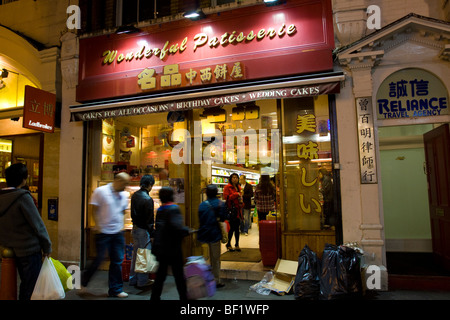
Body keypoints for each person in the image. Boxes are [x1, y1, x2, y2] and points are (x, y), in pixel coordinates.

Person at [0, 163, 52, 300]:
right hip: (28, 249)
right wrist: (47, 246)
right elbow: (38, 225)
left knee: (14, 284)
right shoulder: (23, 197)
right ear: (23, 179)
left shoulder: (2, 197)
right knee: (30, 287)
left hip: (8, 248)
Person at [81, 172, 130, 298]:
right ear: (117, 180)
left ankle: (115, 289)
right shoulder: (101, 191)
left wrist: (122, 227)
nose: (126, 186)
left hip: (118, 232)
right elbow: (94, 209)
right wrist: (98, 227)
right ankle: (83, 281)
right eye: (124, 183)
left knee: (117, 261)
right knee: (98, 260)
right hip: (103, 232)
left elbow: (123, 212)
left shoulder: (124, 195)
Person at [151, 187, 190, 301]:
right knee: (179, 276)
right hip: (173, 248)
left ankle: (154, 297)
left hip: (161, 247)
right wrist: (186, 230)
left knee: (160, 276)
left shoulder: (160, 209)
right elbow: (177, 227)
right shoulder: (174, 208)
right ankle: (184, 298)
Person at [197, 184, 227, 288]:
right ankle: (216, 279)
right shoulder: (220, 204)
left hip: (204, 233)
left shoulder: (202, 205)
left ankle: (204, 276)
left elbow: (200, 219)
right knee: (215, 258)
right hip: (215, 233)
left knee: (205, 257)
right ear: (217, 193)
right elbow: (223, 218)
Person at [129, 174, 155, 288]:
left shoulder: (134, 195)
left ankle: (133, 279)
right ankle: (142, 282)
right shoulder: (148, 199)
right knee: (144, 255)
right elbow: (149, 220)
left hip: (134, 228)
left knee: (135, 255)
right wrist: (152, 233)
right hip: (144, 231)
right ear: (149, 185)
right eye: (151, 185)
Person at [223, 172, 242, 252]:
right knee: (232, 228)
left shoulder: (239, 187)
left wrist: (241, 202)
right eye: (233, 177)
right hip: (231, 210)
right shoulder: (227, 187)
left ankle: (237, 244)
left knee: (237, 228)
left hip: (238, 210)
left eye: (236, 177)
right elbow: (226, 197)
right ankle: (229, 243)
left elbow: (241, 197)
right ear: (230, 179)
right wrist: (236, 194)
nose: (235, 179)